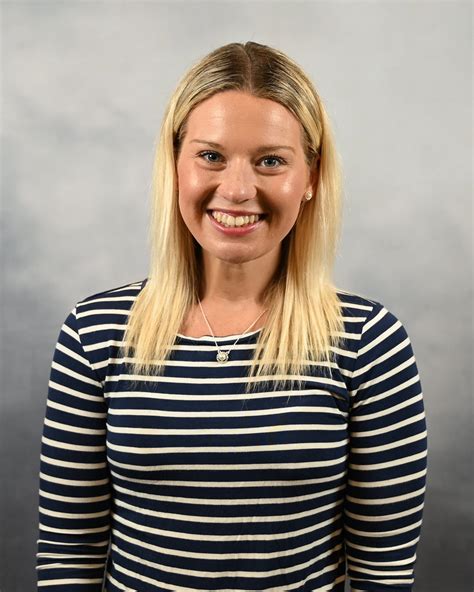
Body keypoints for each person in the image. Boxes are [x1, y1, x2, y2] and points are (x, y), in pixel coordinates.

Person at [36, 42, 428, 591]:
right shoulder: (96, 330)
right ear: (175, 166)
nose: (238, 190)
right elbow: (67, 552)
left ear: (311, 176)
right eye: (211, 156)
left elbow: (381, 569)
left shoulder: (368, 340)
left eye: (271, 160)